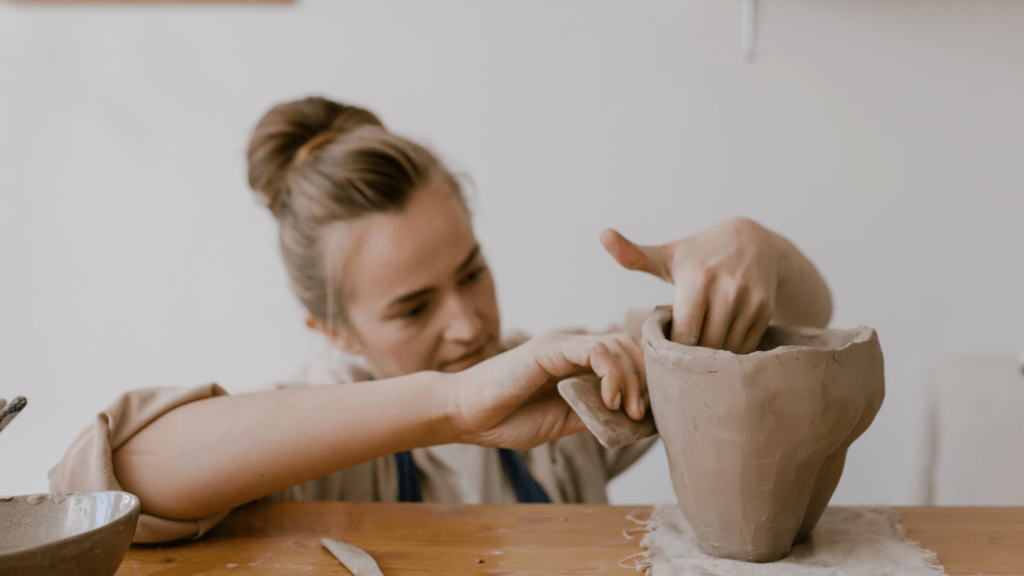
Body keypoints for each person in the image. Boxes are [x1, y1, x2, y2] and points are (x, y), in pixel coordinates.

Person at [49, 96, 832, 544]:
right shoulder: (309, 442)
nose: (467, 325)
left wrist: (754, 250)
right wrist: (451, 407)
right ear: (334, 331)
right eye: (413, 307)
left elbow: (802, 317)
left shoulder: (570, 389)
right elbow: (119, 480)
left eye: (471, 273)